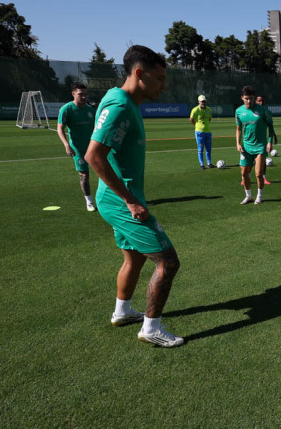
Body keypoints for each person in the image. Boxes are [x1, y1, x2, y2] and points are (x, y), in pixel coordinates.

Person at [84, 45, 183, 347]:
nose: (163, 85)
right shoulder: (120, 106)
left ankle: (122, 312)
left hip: (117, 199)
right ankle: (151, 328)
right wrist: (129, 200)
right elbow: (93, 155)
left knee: (135, 259)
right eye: (160, 78)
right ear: (140, 73)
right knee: (168, 262)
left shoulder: (121, 100)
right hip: (121, 202)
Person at [56, 82, 97, 211]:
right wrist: (67, 145)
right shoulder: (67, 109)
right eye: (80, 94)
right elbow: (60, 128)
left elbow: (97, 128)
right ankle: (89, 201)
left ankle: (111, 198)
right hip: (78, 149)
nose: (84, 97)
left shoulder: (90, 110)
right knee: (84, 174)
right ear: (73, 94)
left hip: (93, 147)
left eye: (85, 94)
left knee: (105, 171)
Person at [236, 86, 276, 205]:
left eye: (251, 98)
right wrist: (238, 144)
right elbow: (238, 129)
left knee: (258, 174)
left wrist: (270, 141)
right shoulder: (238, 111)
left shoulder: (263, 111)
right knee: (244, 173)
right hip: (246, 147)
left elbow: (270, 126)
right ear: (242, 98)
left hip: (260, 146)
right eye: (247, 98)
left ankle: (260, 195)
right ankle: (248, 196)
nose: (249, 101)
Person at [190, 94, 215, 170]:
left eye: (204, 101)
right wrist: (197, 126)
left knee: (208, 149)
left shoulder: (209, 110)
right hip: (199, 132)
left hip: (208, 132)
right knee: (200, 149)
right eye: (201, 101)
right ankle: (202, 164)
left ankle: (209, 163)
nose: (203, 103)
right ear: (198, 101)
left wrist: (205, 125)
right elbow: (191, 119)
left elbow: (209, 119)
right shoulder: (195, 110)